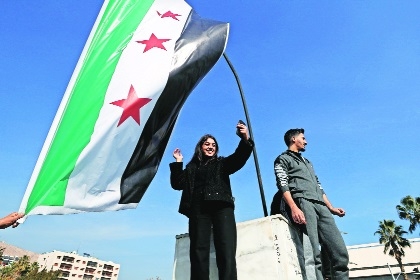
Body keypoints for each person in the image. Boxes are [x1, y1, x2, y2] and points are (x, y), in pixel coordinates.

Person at [170, 122, 253, 280]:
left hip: (222, 208)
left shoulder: (221, 164)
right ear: (200, 147)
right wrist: (178, 162)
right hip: (198, 210)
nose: (210, 147)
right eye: (207, 144)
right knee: (198, 252)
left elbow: (238, 158)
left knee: (226, 251)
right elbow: (177, 184)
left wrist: (244, 139)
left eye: (213, 145)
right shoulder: (191, 168)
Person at [273, 128, 349, 280]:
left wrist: (331, 208)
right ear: (293, 139)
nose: (306, 141)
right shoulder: (282, 159)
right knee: (313, 255)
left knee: (340, 252)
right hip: (303, 203)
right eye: (303, 138)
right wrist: (294, 208)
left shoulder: (308, 163)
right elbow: (283, 185)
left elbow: (319, 186)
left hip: (321, 206)